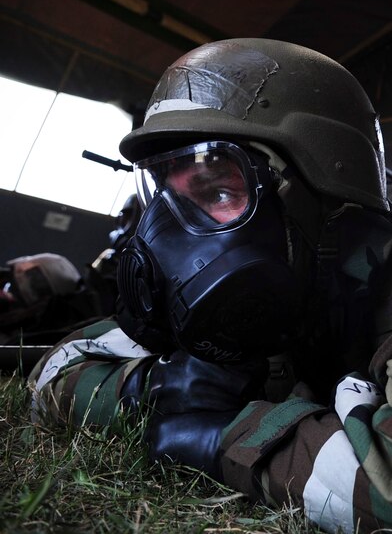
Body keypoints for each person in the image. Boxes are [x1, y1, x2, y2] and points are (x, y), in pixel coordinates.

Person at [28, 39, 392, 533]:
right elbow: (56, 369)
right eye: (164, 197)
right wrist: (153, 387)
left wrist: (225, 435)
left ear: (319, 198)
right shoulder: (211, 312)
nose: (168, 236)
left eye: (217, 190)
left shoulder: (379, 293)